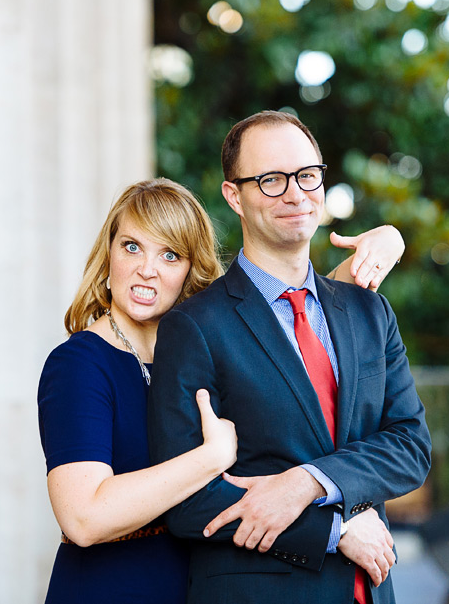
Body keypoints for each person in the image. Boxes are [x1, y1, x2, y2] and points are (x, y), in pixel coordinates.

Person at [38, 177, 406, 603]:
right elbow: (84, 518)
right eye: (132, 246)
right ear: (109, 255)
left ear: (190, 269)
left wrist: (389, 241)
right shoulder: (80, 364)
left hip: (200, 584)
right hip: (114, 587)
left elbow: (302, 319)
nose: (147, 269)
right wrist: (209, 459)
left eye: (170, 254)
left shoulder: (205, 347)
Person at [148, 112, 431, 604]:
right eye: (271, 180)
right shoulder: (194, 326)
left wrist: (307, 483)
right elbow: (184, 498)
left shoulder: (368, 310)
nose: (295, 194)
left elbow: (410, 445)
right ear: (234, 195)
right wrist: (333, 530)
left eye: (306, 176)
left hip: (370, 592)